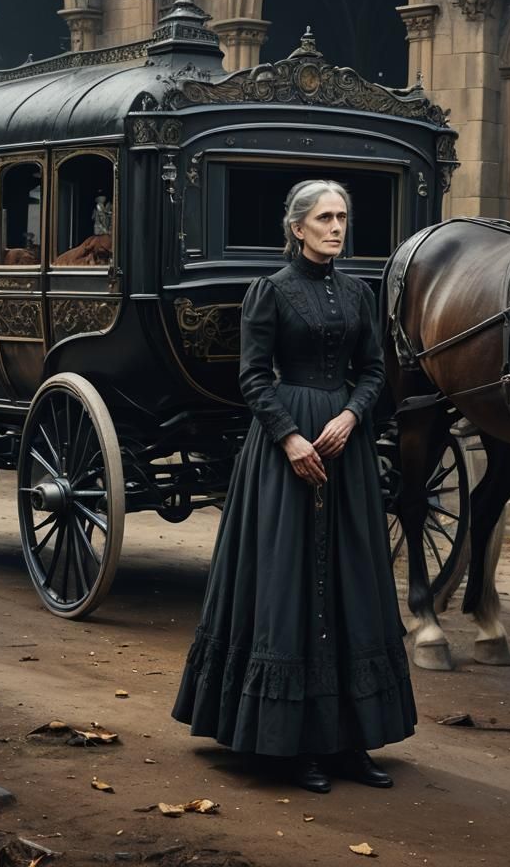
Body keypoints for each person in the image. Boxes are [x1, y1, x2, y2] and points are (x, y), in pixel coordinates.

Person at [173, 179, 416, 793]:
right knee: (290, 586)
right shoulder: (271, 292)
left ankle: (350, 742)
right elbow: (253, 378)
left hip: (345, 451)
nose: (337, 227)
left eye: (343, 216)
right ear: (297, 227)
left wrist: (353, 415)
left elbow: (375, 370)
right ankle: (293, 745)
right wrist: (288, 437)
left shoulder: (360, 293)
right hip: (286, 456)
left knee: (352, 581)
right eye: (326, 217)